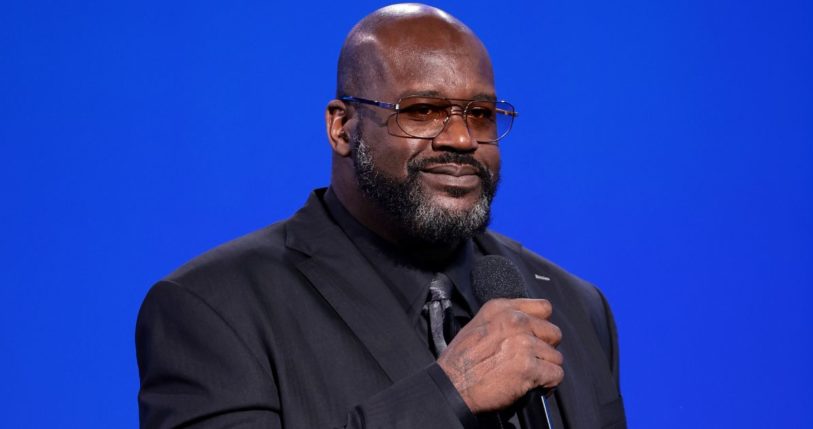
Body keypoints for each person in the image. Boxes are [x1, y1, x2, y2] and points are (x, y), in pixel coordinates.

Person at [136, 3, 626, 428]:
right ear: (342, 127)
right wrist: (448, 393)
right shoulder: (213, 308)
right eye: (422, 110)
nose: (460, 139)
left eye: (480, 114)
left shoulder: (574, 305)